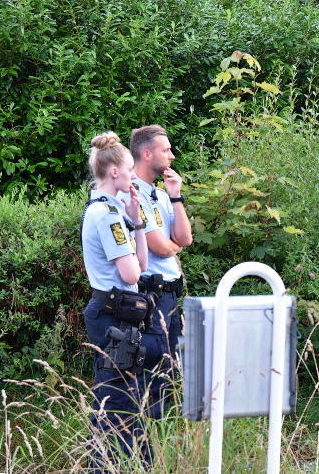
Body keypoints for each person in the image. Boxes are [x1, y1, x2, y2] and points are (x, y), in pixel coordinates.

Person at [81, 131, 151, 470]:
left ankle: (121, 464)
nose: (133, 175)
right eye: (129, 170)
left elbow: (144, 264)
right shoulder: (106, 214)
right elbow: (132, 274)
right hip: (113, 316)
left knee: (120, 396)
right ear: (114, 173)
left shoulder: (114, 210)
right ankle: (107, 465)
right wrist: (134, 259)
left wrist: (137, 220)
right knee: (117, 399)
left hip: (115, 314)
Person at [125, 125, 193, 419]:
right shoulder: (131, 192)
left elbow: (185, 239)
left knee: (169, 365)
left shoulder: (162, 194)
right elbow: (161, 247)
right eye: (166, 150)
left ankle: (160, 430)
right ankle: (144, 433)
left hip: (170, 294)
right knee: (153, 364)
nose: (172, 155)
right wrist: (171, 246)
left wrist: (176, 196)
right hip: (150, 293)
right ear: (146, 152)